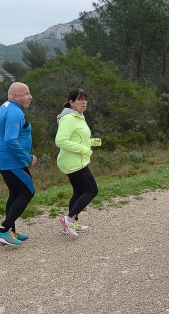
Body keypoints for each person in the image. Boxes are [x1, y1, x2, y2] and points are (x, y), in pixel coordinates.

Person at [0, 82, 37, 246]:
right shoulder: (14, 112)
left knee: (15, 193)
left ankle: (11, 231)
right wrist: (27, 157)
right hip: (11, 161)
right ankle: (3, 230)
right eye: (26, 93)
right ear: (15, 96)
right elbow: (11, 140)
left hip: (8, 160)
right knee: (28, 191)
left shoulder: (7, 107)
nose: (30, 97)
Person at [55, 89, 101, 237]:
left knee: (79, 191)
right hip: (73, 162)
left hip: (75, 161)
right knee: (91, 190)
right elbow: (60, 141)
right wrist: (84, 149)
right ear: (71, 102)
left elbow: (77, 138)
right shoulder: (69, 118)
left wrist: (91, 142)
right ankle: (68, 219)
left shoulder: (79, 116)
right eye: (80, 99)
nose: (84, 102)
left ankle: (72, 223)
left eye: (85, 99)